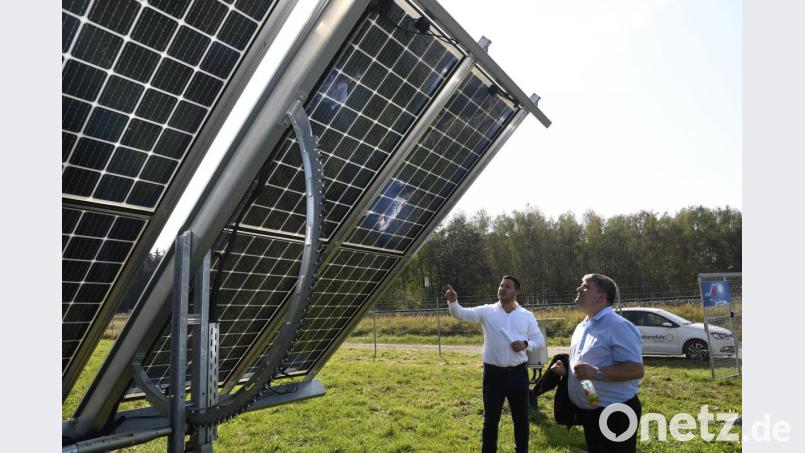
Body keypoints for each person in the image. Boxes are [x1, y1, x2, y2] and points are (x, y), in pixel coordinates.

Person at [445, 276, 545, 453]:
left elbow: (539, 340)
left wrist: (526, 344)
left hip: (518, 375)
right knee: (490, 421)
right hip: (493, 376)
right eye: (500, 285)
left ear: (516, 291)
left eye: (507, 286)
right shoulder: (487, 311)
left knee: (521, 420)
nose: (502, 289)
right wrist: (453, 302)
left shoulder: (526, 316)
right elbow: (461, 313)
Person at [550, 273, 644, 452]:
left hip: (616, 412)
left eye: (585, 287)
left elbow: (636, 370)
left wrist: (596, 372)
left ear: (601, 297)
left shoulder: (618, 326)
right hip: (592, 409)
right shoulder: (582, 326)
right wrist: (567, 372)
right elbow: (585, 366)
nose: (578, 289)